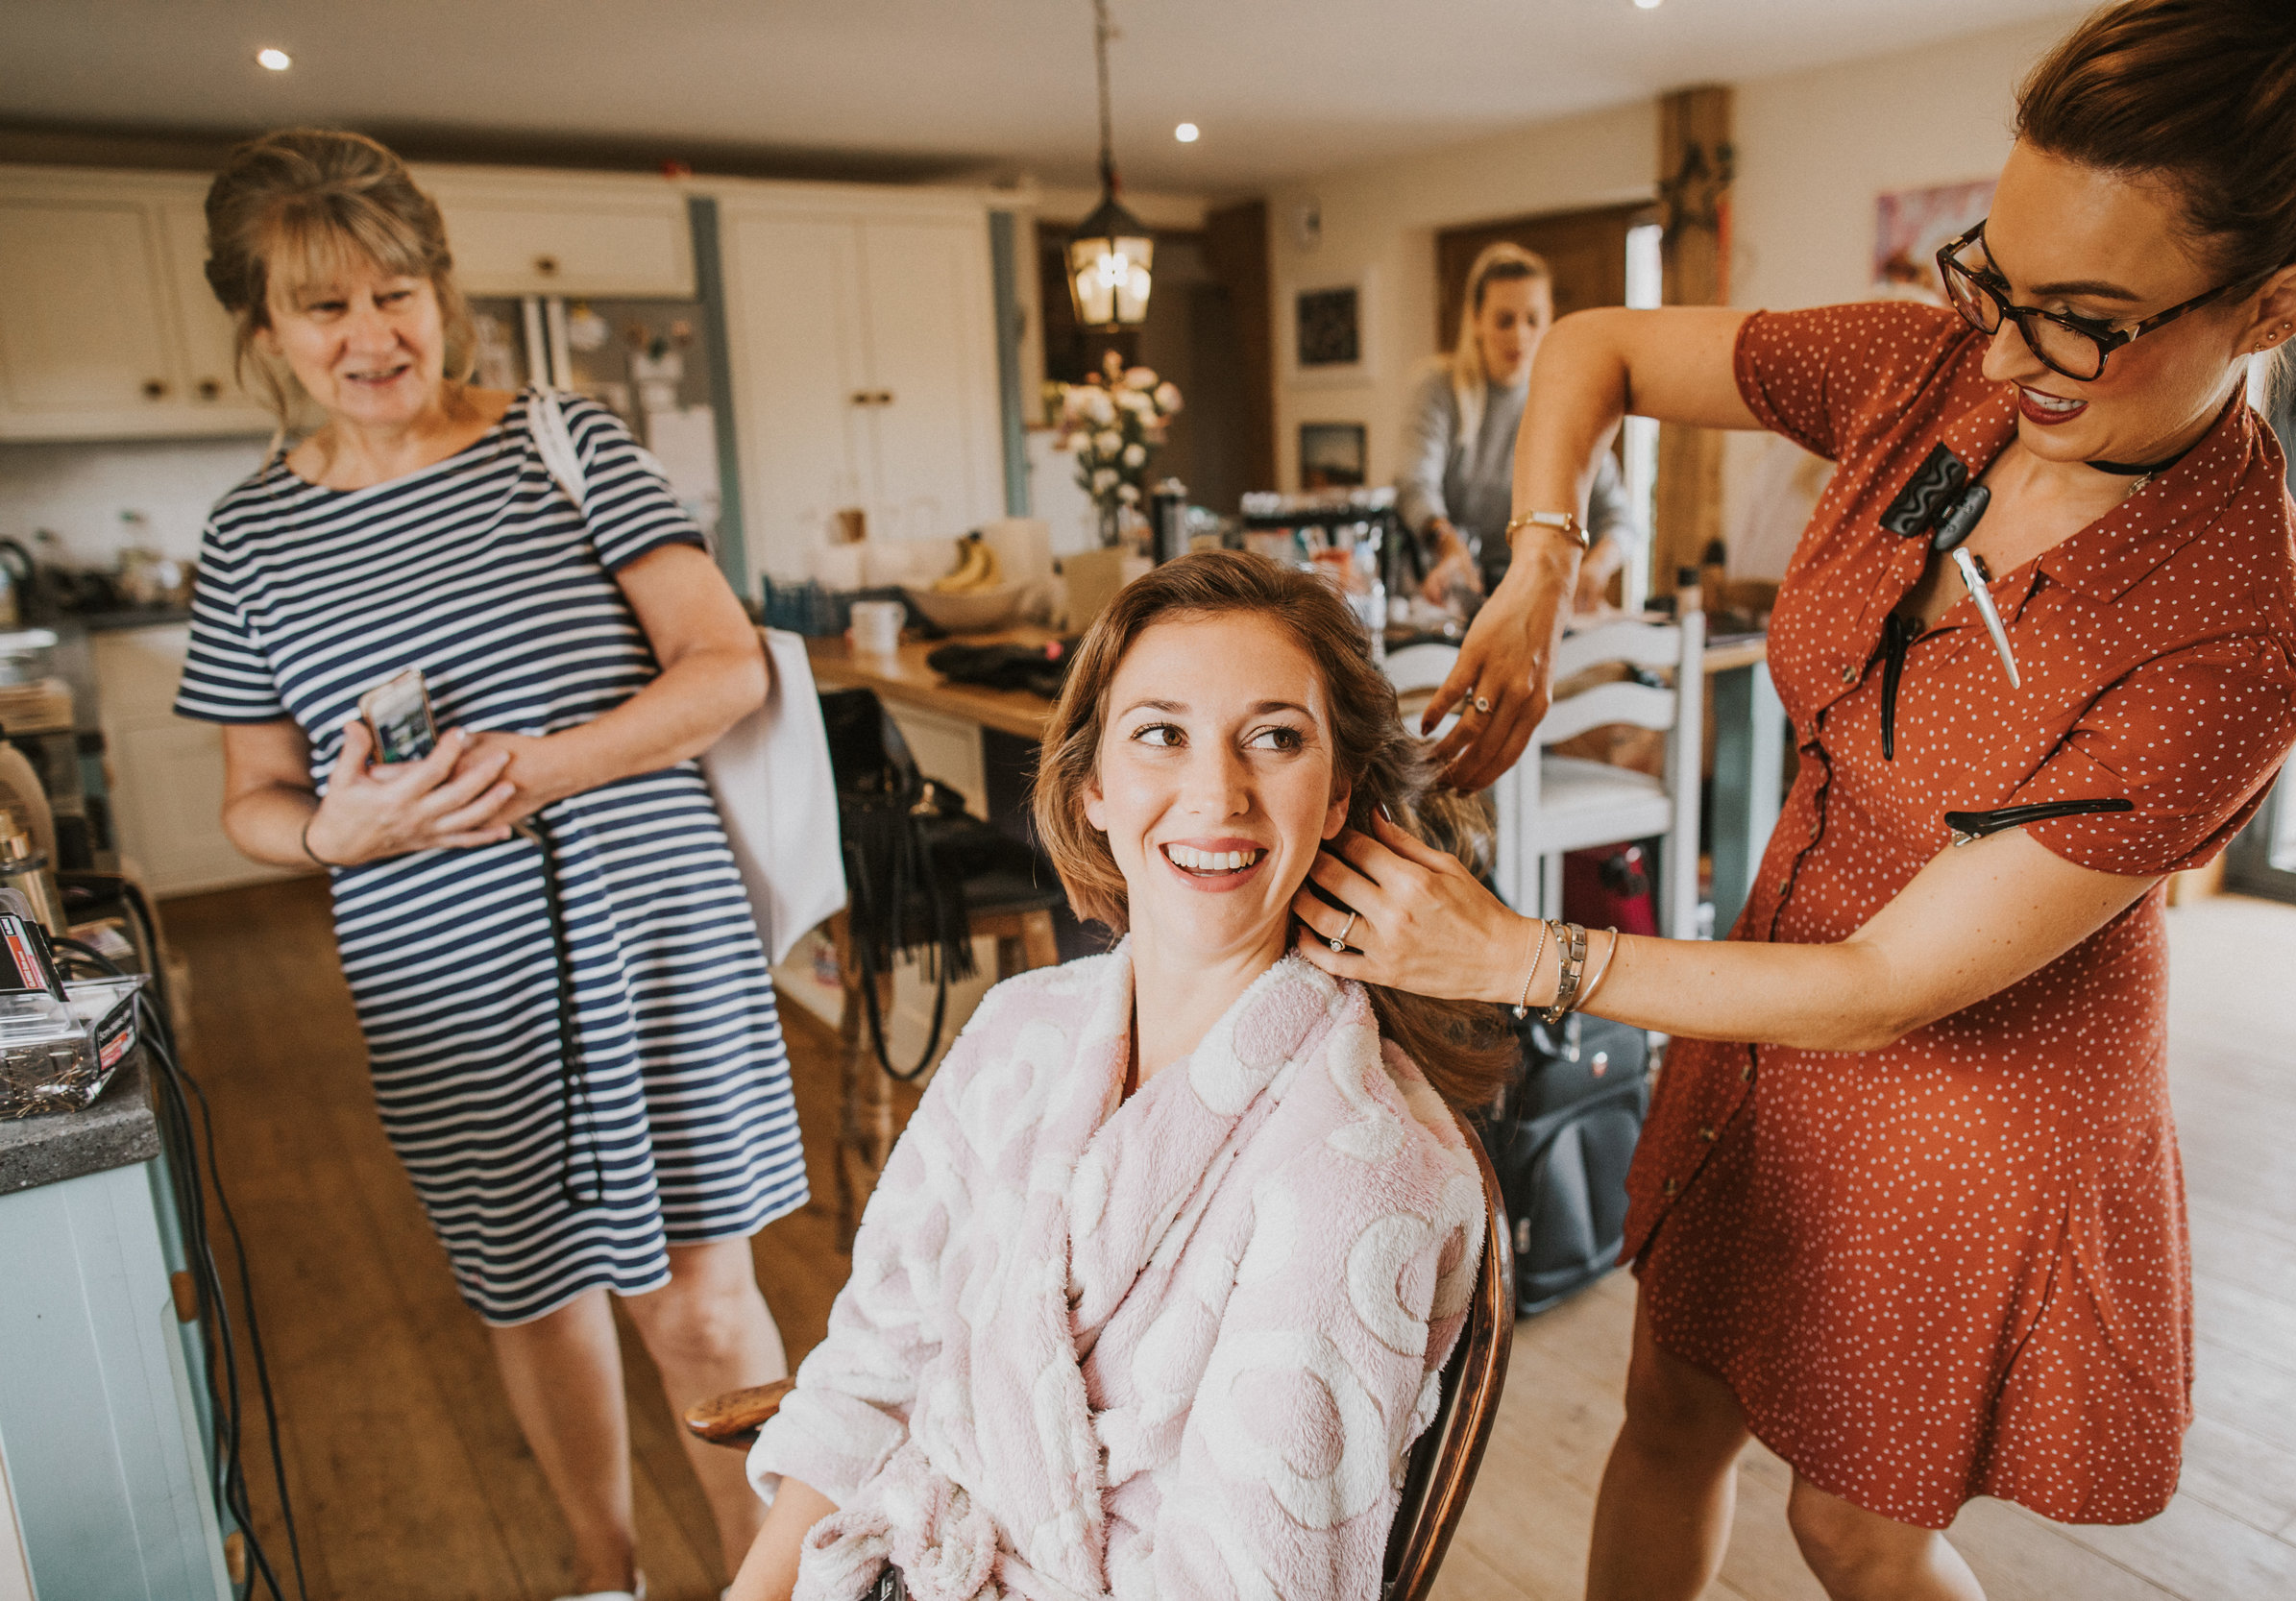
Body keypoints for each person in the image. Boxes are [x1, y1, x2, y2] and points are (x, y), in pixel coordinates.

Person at [1303, 3, 2296, 1597]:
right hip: (1756, 996)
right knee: (1668, 1404)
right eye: (1996, 281)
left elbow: (1891, 991)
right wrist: (1539, 568)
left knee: (1855, 1520)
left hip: (1974, 1078)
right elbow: (1591, 347)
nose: (2009, 355)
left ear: (2275, 303)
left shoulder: (2242, 622)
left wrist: (1522, 954)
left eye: (2083, 318)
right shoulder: (1928, 375)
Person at [176, 129, 806, 1601]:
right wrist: (337, 832)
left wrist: (545, 763)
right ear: (265, 330)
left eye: (394, 292)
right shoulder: (251, 536)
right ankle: (604, 1573)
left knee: (707, 1306)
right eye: (323, 306)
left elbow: (723, 669)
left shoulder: (562, 440)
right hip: (444, 976)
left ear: (440, 295)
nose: (370, 334)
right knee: (532, 1293)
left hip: (650, 931)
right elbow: (254, 799)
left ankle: (770, 1577)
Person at [728, 549, 1508, 1601]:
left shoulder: (1355, 1178)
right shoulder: (1019, 1032)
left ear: (1337, 796)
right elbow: (870, 1366)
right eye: (1161, 734)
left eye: (1274, 738)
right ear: (1093, 787)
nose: (1214, 792)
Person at [1399, 241, 1634, 613]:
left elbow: (1621, 520)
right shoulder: (1439, 389)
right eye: (1504, 320)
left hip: (1532, 603)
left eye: (1532, 320)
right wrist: (1449, 546)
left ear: (1550, 319)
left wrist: (1596, 567)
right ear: (1476, 320)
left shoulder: (1567, 401)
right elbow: (1414, 484)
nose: (1520, 335)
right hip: (1448, 596)